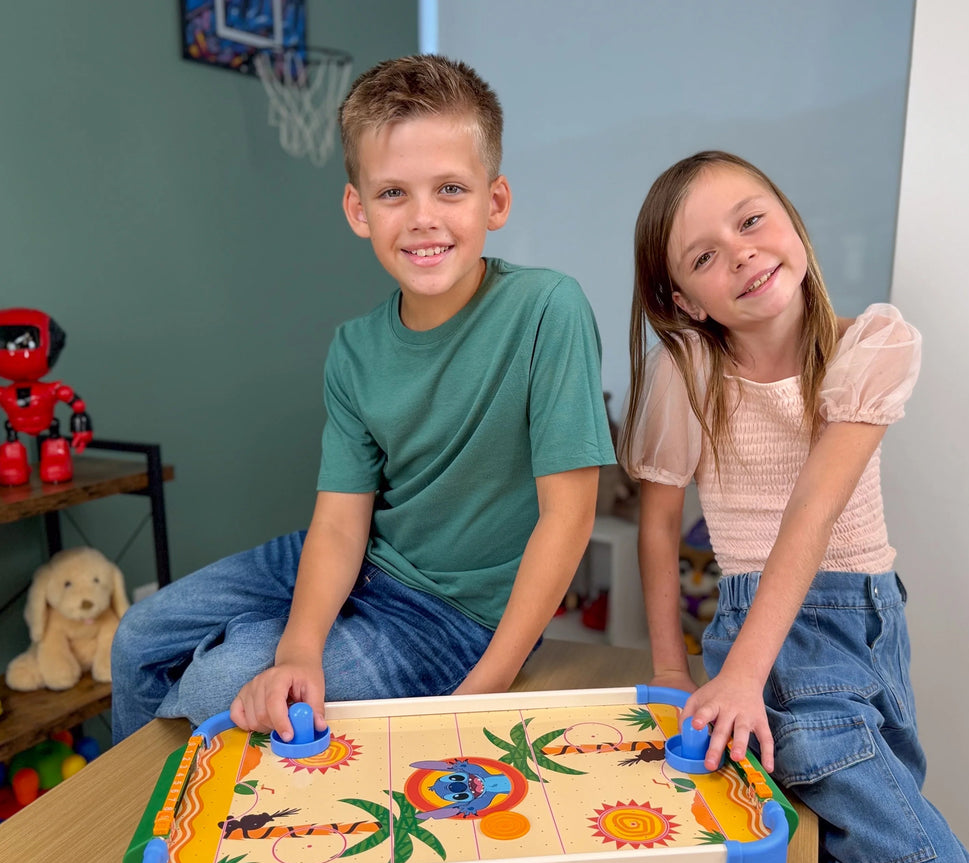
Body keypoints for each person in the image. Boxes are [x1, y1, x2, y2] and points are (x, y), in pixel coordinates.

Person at [111, 55, 615, 743]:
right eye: (393, 194)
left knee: (210, 684)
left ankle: (251, 651)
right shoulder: (354, 348)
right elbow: (341, 524)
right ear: (359, 210)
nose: (423, 218)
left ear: (494, 202)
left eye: (450, 189)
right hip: (360, 560)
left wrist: (480, 695)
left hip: (453, 617)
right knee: (139, 636)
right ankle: (153, 792)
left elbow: (568, 517)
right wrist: (299, 647)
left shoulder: (548, 309)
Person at [618, 150, 969, 863]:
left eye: (750, 220)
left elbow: (820, 503)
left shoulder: (872, 346)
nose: (740, 252)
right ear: (684, 301)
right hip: (779, 640)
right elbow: (662, 526)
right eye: (703, 256)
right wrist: (679, 669)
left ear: (790, 219)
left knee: (862, 855)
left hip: (875, 624)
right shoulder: (688, 374)